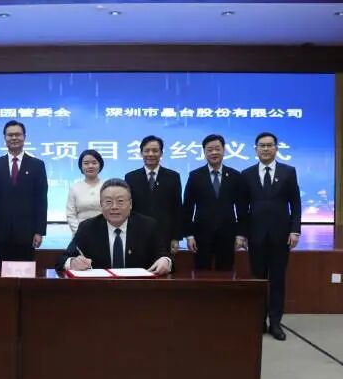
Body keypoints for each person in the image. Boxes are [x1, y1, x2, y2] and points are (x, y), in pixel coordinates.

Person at [239, 132, 301, 341]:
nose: (265, 149)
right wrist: (242, 234)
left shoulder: (288, 172)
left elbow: (295, 203)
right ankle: (259, 321)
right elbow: (242, 208)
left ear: (276, 148)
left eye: (269, 145)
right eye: (261, 145)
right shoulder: (246, 174)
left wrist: (294, 230)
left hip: (280, 236)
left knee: (277, 280)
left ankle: (275, 322)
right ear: (255, 149)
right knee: (258, 280)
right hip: (255, 236)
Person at [57, 178, 172, 275]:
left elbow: (165, 256)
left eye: (120, 201)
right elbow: (62, 260)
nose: (114, 207)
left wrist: (165, 261)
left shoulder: (148, 226)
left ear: (130, 204)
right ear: (101, 205)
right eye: (108, 202)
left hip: (139, 289)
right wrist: (72, 262)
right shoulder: (88, 228)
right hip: (99, 290)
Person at [0, 120, 48, 261]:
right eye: (10, 135)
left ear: (24, 137)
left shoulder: (37, 165)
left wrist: (39, 231)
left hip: (27, 232)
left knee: (25, 270)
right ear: (4, 138)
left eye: (17, 134)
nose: (14, 138)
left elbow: (41, 200)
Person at [182, 134, 247, 271]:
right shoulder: (195, 176)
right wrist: (189, 235)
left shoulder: (235, 176)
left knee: (226, 272)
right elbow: (187, 208)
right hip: (201, 235)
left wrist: (240, 234)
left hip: (228, 234)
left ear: (224, 150)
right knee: (201, 273)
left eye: (217, 149)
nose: (214, 152)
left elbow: (241, 208)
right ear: (204, 152)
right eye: (210, 149)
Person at [124, 135, 183, 253]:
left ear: (161, 153)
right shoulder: (131, 177)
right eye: (147, 151)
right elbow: (128, 208)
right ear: (141, 153)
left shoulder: (173, 177)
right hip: (138, 233)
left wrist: (176, 237)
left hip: (165, 234)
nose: (150, 154)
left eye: (155, 151)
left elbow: (177, 208)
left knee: (164, 264)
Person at [65, 149, 104, 234]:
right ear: (81, 166)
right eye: (86, 163)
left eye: (94, 163)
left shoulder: (107, 186)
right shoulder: (75, 188)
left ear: (100, 165)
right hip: (80, 233)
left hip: (104, 232)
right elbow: (70, 214)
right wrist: (80, 233)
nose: (90, 166)